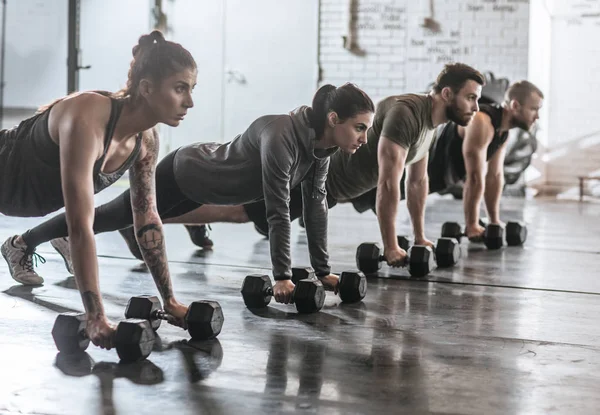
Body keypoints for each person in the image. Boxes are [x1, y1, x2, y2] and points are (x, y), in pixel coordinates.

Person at [13, 83, 375, 304]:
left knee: (125, 218)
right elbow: (277, 210)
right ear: (333, 119)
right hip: (187, 172)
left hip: (211, 190)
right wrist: (282, 276)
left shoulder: (320, 150)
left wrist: (323, 271)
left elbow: (316, 207)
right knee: (110, 215)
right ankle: (23, 243)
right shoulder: (281, 134)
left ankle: (68, 236)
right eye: (359, 128)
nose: (363, 138)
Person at [143, 63, 485, 268]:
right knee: (241, 213)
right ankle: (146, 219)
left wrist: (421, 237)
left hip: (333, 191)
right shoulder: (407, 114)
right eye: (470, 97)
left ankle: (168, 218)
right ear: (445, 94)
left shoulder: (430, 126)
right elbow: (388, 182)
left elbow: (416, 183)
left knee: (246, 215)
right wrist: (391, 246)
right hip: (309, 177)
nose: (475, 106)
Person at [1, 30, 197, 349]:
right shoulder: (88, 117)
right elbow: (80, 226)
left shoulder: (145, 141)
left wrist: (171, 301)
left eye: (191, 89)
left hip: (22, 200)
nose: (189, 101)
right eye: (180, 89)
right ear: (147, 88)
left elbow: (147, 219)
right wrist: (95, 317)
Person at [427, 80, 543, 240]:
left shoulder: (503, 131)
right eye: (534, 109)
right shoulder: (481, 122)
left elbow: (494, 176)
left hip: (438, 179)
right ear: (515, 106)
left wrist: (494, 221)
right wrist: (472, 225)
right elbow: (474, 177)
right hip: (417, 173)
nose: (537, 116)